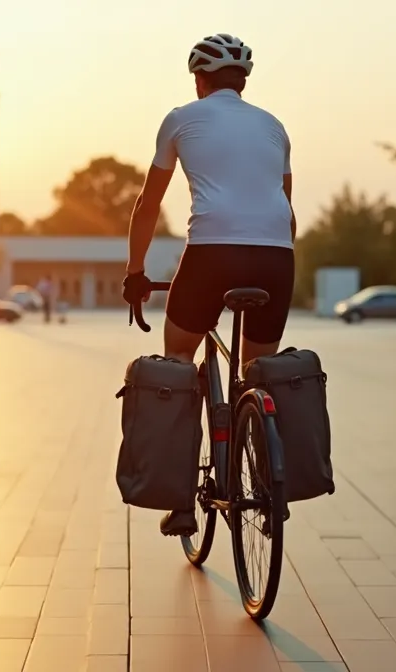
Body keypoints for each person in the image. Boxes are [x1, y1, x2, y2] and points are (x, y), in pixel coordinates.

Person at [120, 34, 297, 537]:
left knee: (177, 360)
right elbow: (287, 212)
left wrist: (136, 273)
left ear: (199, 80)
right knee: (259, 371)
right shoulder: (275, 127)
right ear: (242, 82)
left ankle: (179, 501)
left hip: (211, 255)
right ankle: (269, 480)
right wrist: (281, 269)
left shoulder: (180, 118)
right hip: (275, 260)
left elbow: (148, 205)